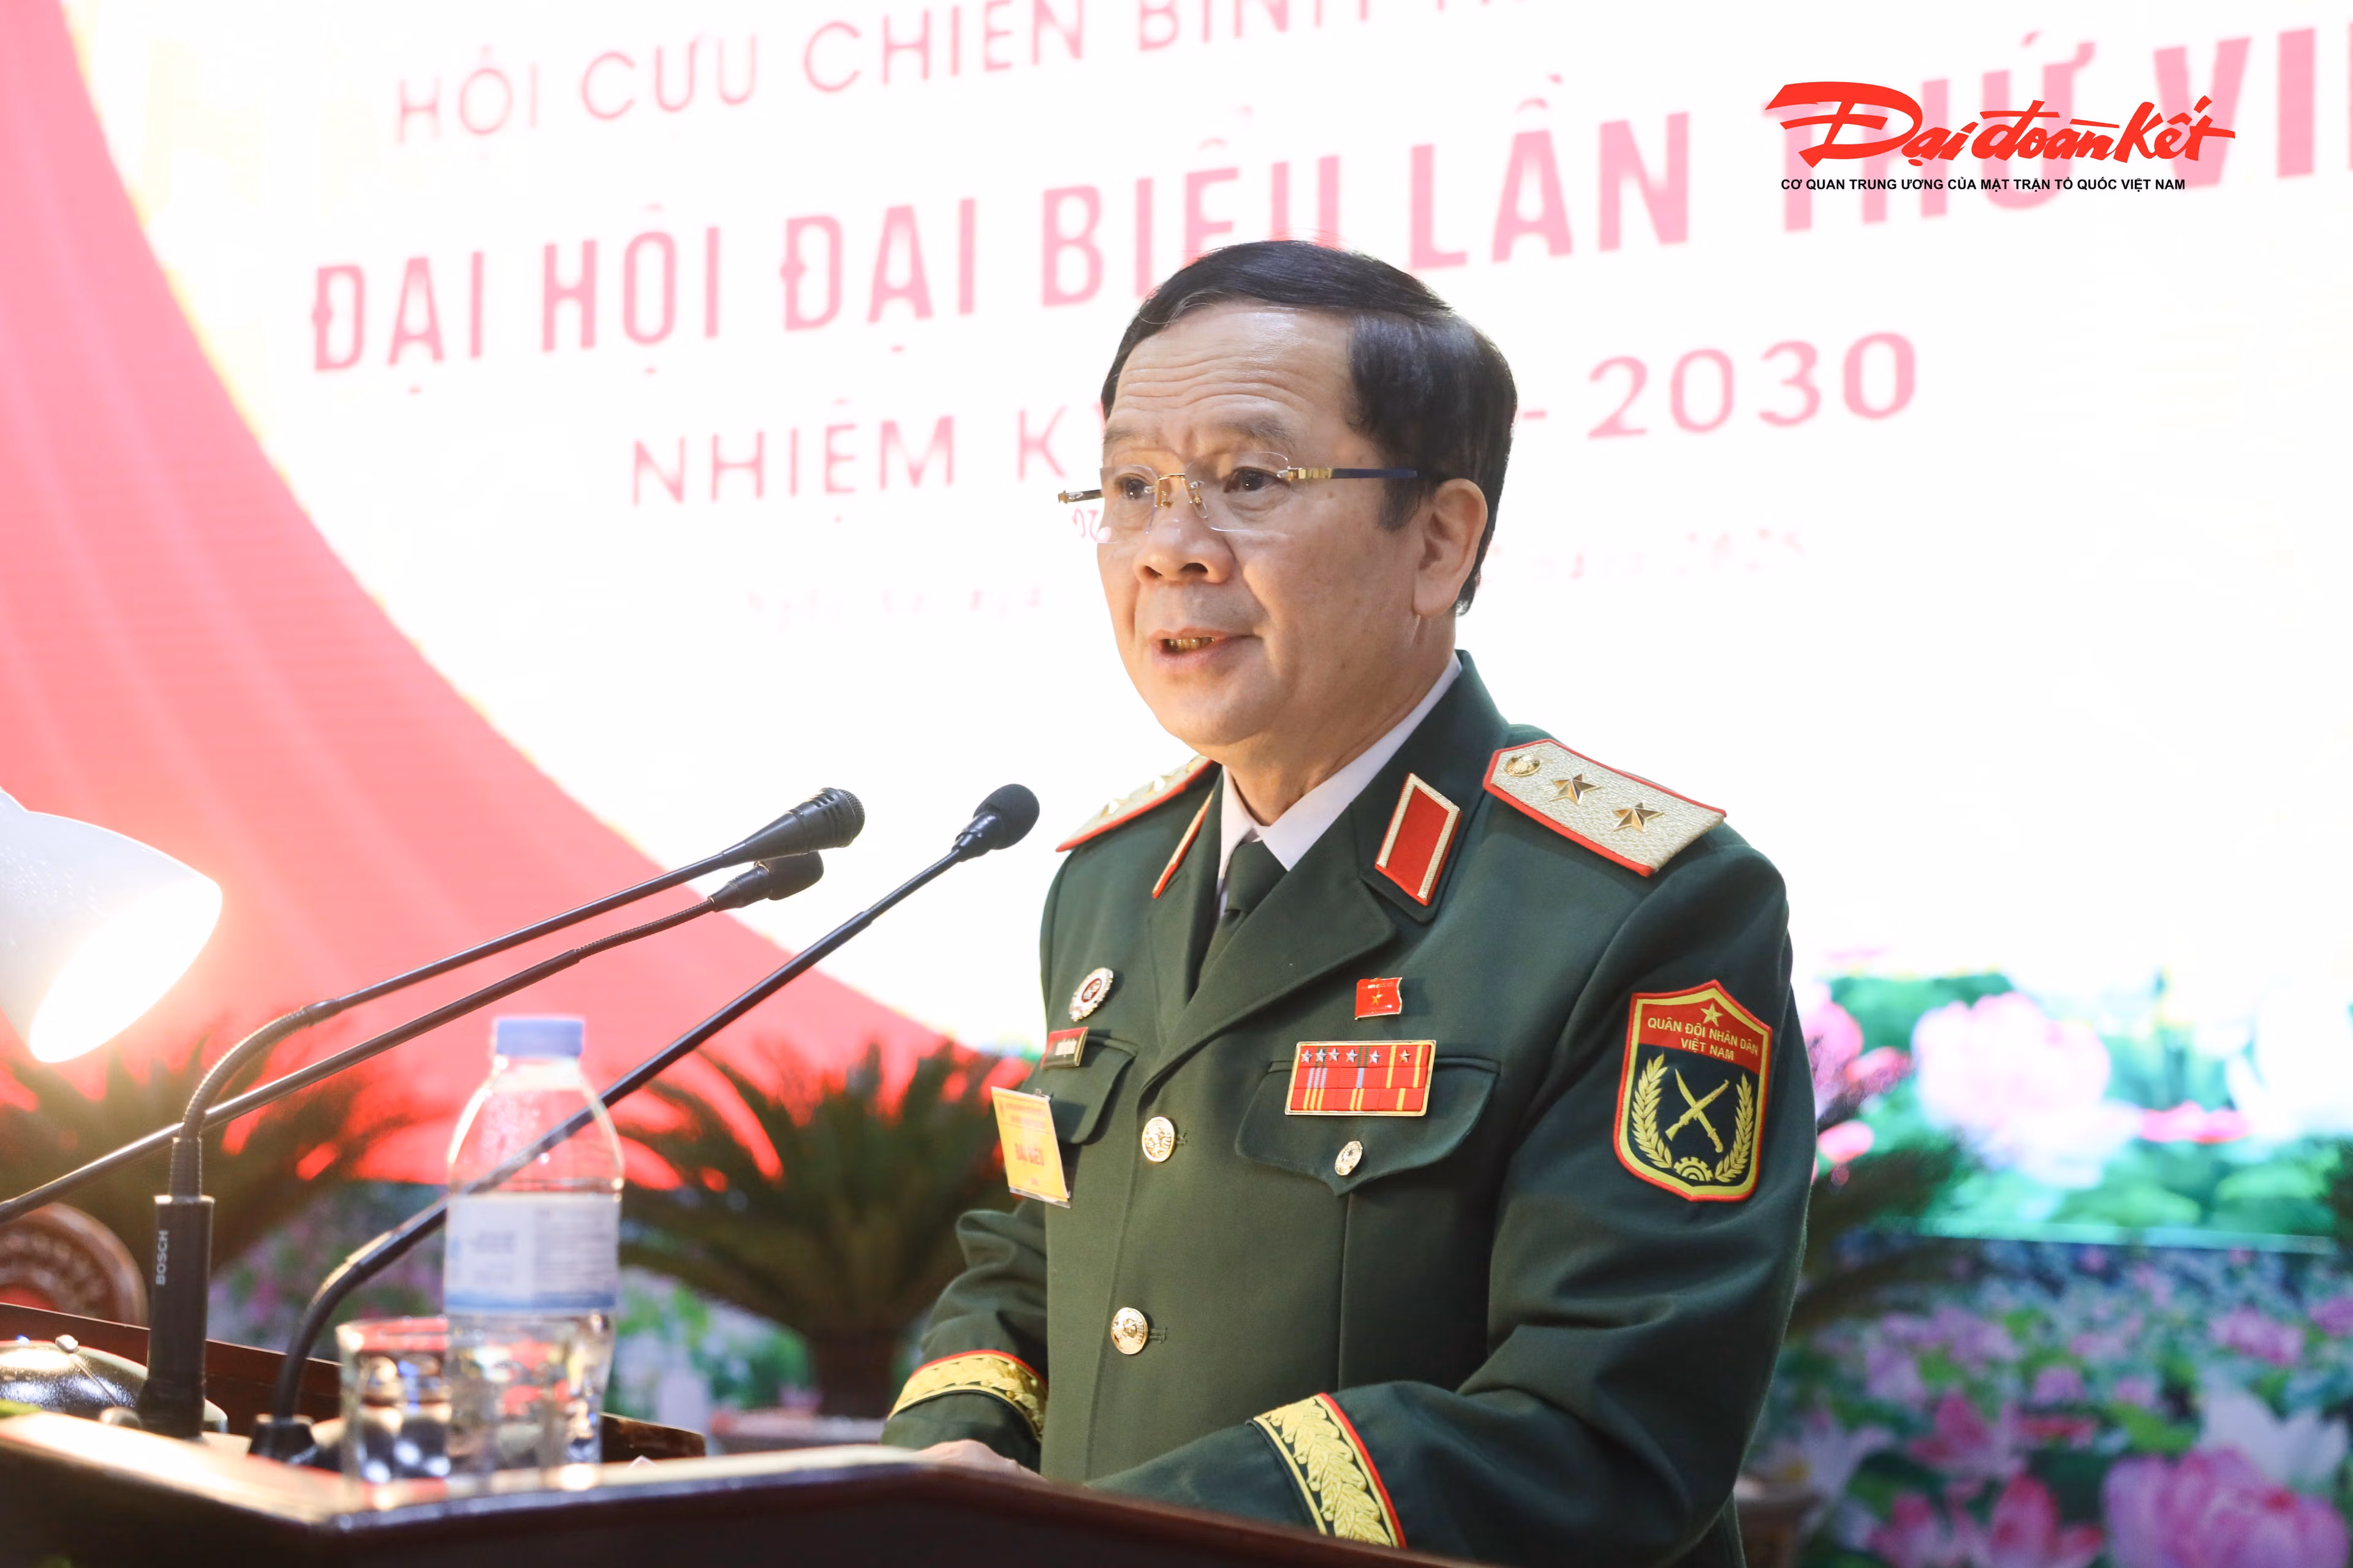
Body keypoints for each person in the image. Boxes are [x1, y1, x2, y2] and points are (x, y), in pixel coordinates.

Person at [877, 240, 1809, 1568]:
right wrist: (947, 1458)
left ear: (1438, 540)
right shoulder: (1110, 881)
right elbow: (1038, 1254)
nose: (1170, 549)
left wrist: (1123, 1529)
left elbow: (1605, 1433)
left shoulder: (1638, 907)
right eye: (1133, 488)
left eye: (1249, 481)